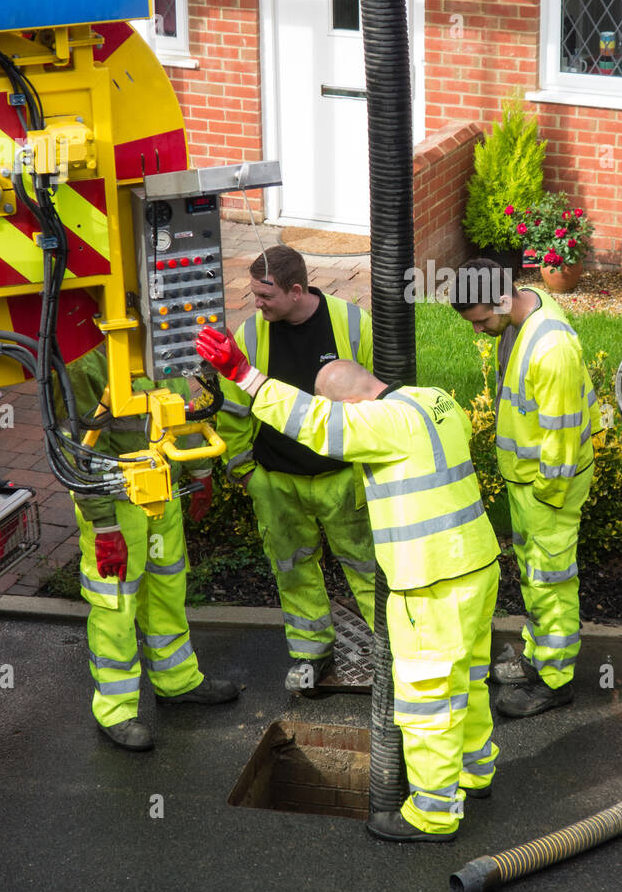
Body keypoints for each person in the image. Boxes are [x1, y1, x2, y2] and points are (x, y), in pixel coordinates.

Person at [197, 328, 501, 844]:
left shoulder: (381, 423)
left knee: (427, 697)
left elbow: (316, 425)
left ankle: (432, 813)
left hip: (430, 582)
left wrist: (242, 374)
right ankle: (474, 772)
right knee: (467, 677)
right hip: (476, 564)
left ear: (354, 403)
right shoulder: (435, 400)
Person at [215, 246, 377, 689]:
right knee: (293, 568)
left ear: (298, 290)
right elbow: (233, 408)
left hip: (342, 479)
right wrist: (246, 471)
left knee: (368, 569)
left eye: (265, 296)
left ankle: (395, 653)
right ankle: (311, 654)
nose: (257, 304)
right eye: (254, 295)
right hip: (277, 482)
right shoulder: (251, 335)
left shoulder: (353, 324)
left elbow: (382, 397)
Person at [65, 346, 239, 751]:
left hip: (164, 492)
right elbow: (81, 453)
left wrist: (198, 470)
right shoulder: (83, 365)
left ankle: (177, 681)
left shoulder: (156, 341)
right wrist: (104, 526)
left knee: (167, 587)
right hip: (117, 502)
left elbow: (182, 410)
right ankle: (116, 710)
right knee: (116, 606)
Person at [448, 259, 600, 718]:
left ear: (501, 299)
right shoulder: (522, 312)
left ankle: (554, 681)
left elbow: (562, 435)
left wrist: (545, 498)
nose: (478, 332)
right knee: (536, 575)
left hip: (548, 486)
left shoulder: (550, 347)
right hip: (530, 483)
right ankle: (538, 657)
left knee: (550, 581)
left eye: (479, 321)